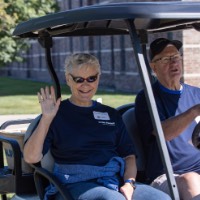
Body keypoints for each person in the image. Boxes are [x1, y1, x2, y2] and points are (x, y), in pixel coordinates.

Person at [24, 53, 171, 200]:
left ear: (98, 78)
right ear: (68, 79)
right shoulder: (56, 115)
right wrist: (46, 118)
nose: (86, 85)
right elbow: (31, 157)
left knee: (162, 198)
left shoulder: (111, 114)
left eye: (91, 78)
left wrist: (129, 183)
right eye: (79, 79)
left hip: (113, 180)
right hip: (74, 183)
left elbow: (129, 156)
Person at [135, 38, 200, 200]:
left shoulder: (197, 94)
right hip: (167, 176)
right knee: (190, 179)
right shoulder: (147, 98)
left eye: (176, 57)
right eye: (165, 59)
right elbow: (163, 133)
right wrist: (194, 112)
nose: (173, 63)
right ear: (153, 67)